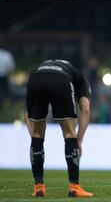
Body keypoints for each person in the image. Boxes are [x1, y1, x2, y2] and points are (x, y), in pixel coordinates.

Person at [25, 59, 93, 197]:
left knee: (37, 134)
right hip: (60, 80)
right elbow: (85, 110)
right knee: (69, 133)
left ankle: (38, 187)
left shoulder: (41, 68)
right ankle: (74, 187)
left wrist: (34, 139)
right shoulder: (80, 78)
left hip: (35, 78)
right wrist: (78, 140)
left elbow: (27, 114)